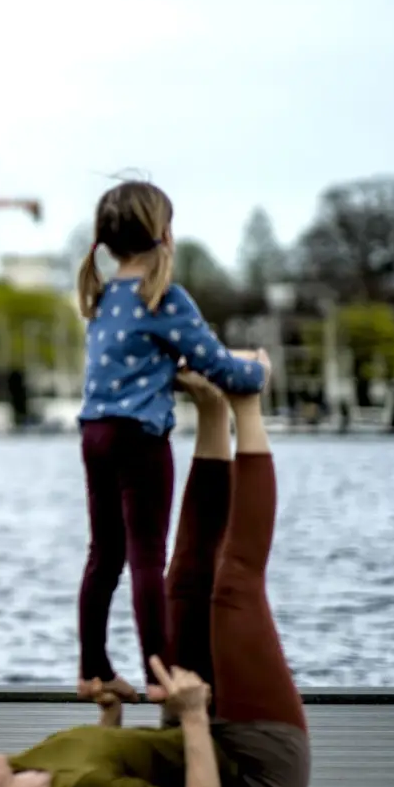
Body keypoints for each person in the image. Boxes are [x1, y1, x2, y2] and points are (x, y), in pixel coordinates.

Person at [0, 362, 312, 787]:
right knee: (233, 589)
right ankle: (249, 401)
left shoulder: (18, 774)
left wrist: (110, 716)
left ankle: (213, 412)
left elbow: (105, 758)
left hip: (196, 736)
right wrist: (193, 717)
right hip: (254, 771)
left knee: (185, 577)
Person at [71, 181, 266, 702]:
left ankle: (93, 669)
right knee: (146, 559)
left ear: (108, 243)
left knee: (103, 555)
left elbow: (135, 360)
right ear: (164, 234)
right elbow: (219, 366)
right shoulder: (166, 298)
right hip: (140, 440)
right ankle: (161, 676)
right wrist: (258, 373)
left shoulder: (104, 296)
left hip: (95, 434)